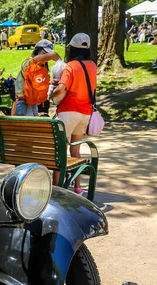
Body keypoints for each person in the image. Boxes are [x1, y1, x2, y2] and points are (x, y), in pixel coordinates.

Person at [51, 33, 97, 196]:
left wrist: (51, 94)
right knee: (76, 151)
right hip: (85, 112)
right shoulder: (92, 65)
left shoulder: (71, 66)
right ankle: (77, 187)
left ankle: (56, 187)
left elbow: (62, 88)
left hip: (69, 111)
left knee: (60, 151)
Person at [13, 39, 60, 116]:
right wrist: (61, 63)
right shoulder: (30, 62)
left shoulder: (41, 68)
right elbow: (52, 55)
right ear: (37, 51)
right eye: (44, 53)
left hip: (33, 105)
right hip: (23, 104)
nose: (46, 58)